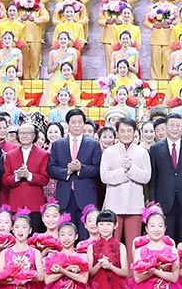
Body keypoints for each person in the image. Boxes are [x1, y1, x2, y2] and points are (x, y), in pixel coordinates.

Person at [100, 118, 151, 261]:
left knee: (133, 246)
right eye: (122, 131)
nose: (126, 134)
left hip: (134, 206)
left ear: (135, 132)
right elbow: (104, 177)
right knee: (112, 245)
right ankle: (112, 272)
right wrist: (124, 171)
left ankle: (132, 273)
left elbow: (146, 177)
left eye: (129, 131)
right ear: (117, 133)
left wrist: (131, 169)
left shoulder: (142, 152)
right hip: (113, 205)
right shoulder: (109, 152)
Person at [148, 114, 182, 241]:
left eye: (178, 125)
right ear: (166, 127)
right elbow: (153, 179)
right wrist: (152, 202)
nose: (175, 128)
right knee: (167, 239)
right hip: (164, 202)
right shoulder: (156, 149)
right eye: (171, 125)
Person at [47, 109, 101, 238]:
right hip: (65, 195)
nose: (77, 125)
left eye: (79, 122)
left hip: (86, 195)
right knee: (66, 233)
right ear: (68, 124)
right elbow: (51, 169)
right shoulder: (58, 144)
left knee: (85, 235)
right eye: (73, 122)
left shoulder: (93, 144)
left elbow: (98, 169)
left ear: (84, 123)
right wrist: (67, 171)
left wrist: (81, 168)